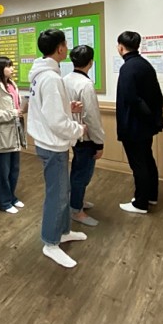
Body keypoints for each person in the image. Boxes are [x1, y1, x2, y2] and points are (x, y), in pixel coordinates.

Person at [27, 29, 87, 268]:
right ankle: (50, 242)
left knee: (62, 192)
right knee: (57, 195)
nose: (67, 48)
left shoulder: (42, 73)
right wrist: (78, 129)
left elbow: (47, 108)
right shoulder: (50, 77)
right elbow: (56, 121)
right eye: (65, 44)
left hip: (49, 142)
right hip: (52, 145)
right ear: (60, 48)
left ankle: (62, 232)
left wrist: (66, 106)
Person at [115, 30, 163, 214]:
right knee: (147, 160)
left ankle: (141, 203)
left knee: (138, 164)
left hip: (134, 126)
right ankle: (151, 196)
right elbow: (157, 95)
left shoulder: (128, 67)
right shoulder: (145, 64)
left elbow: (131, 99)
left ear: (121, 47)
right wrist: (152, 118)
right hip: (146, 125)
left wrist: (144, 116)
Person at [63, 45, 105, 226]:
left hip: (71, 132)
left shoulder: (65, 79)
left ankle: (76, 200)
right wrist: (99, 142)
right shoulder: (86, 84)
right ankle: (76, 209)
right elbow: (91, 116)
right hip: (85, 135)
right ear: (91, 62)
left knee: (77, 170)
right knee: (82, 173)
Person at [0, 57, 26, 214]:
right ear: (0, 69)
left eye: (12, 66)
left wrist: (21, 110)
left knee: (14, 169)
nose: (12, 69)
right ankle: (4, 201)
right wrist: (13, 113)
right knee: (3, 171)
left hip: (15, 132)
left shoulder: (12, 85)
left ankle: (11, 197)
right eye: (8, 66)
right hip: (2, 136)